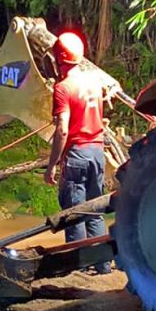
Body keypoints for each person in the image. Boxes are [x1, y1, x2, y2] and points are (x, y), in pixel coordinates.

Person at [43, 30, 120, 274]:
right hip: (97, 152)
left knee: (74, 214)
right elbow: (110, 87)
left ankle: (78, 270)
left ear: (59, 60)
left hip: (77, 154)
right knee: (95, 211)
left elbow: (62, 130)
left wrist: (52, 163)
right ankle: (103, 267)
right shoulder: (95, 81)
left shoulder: (63, 88)